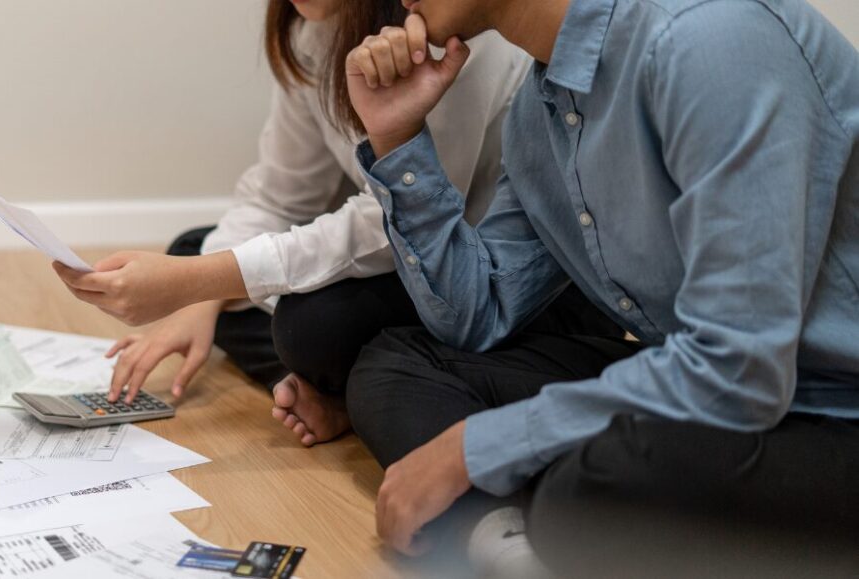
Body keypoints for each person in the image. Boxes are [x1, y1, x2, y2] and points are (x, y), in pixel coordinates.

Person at [342, 0, 859, 576]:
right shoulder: (540, 112)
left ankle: (532, 528)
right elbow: (477, 314)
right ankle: (514, 546)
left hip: (833, 412)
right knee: (398, 364)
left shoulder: (708, 37)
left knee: (591, 488)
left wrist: (475, 448)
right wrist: (398, 137)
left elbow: (739, 370)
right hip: (730, 402)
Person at [54, 1, 621, 446]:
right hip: (436, 273)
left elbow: (398, 226)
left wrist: (199, 283)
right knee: (200, 250)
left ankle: (346, 386)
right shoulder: (312, 36)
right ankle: (338, 385)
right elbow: (278, 193)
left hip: (494, 277)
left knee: (308, 326)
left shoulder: (453, 36)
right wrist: (200, 296)